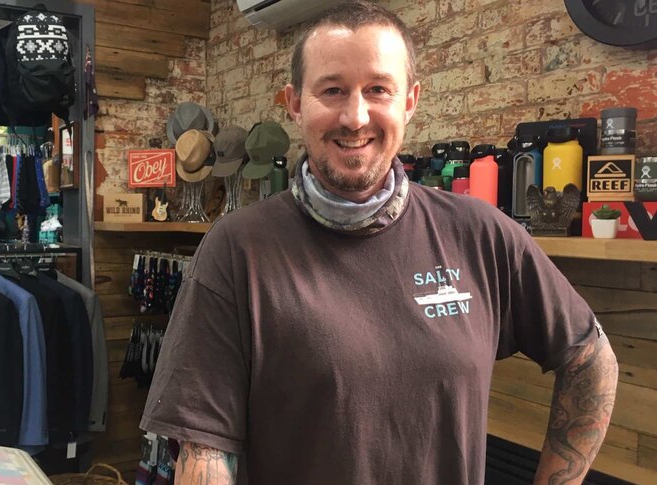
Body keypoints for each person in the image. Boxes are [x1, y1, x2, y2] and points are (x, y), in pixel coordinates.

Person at [140, 2, 619, 484]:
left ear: (409, 101)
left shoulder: (480, 233)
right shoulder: (239, 248)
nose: (355, 116)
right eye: (332, 90)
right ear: (294, 102)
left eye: (377, 90)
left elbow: (590, 359)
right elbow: (204, 454)